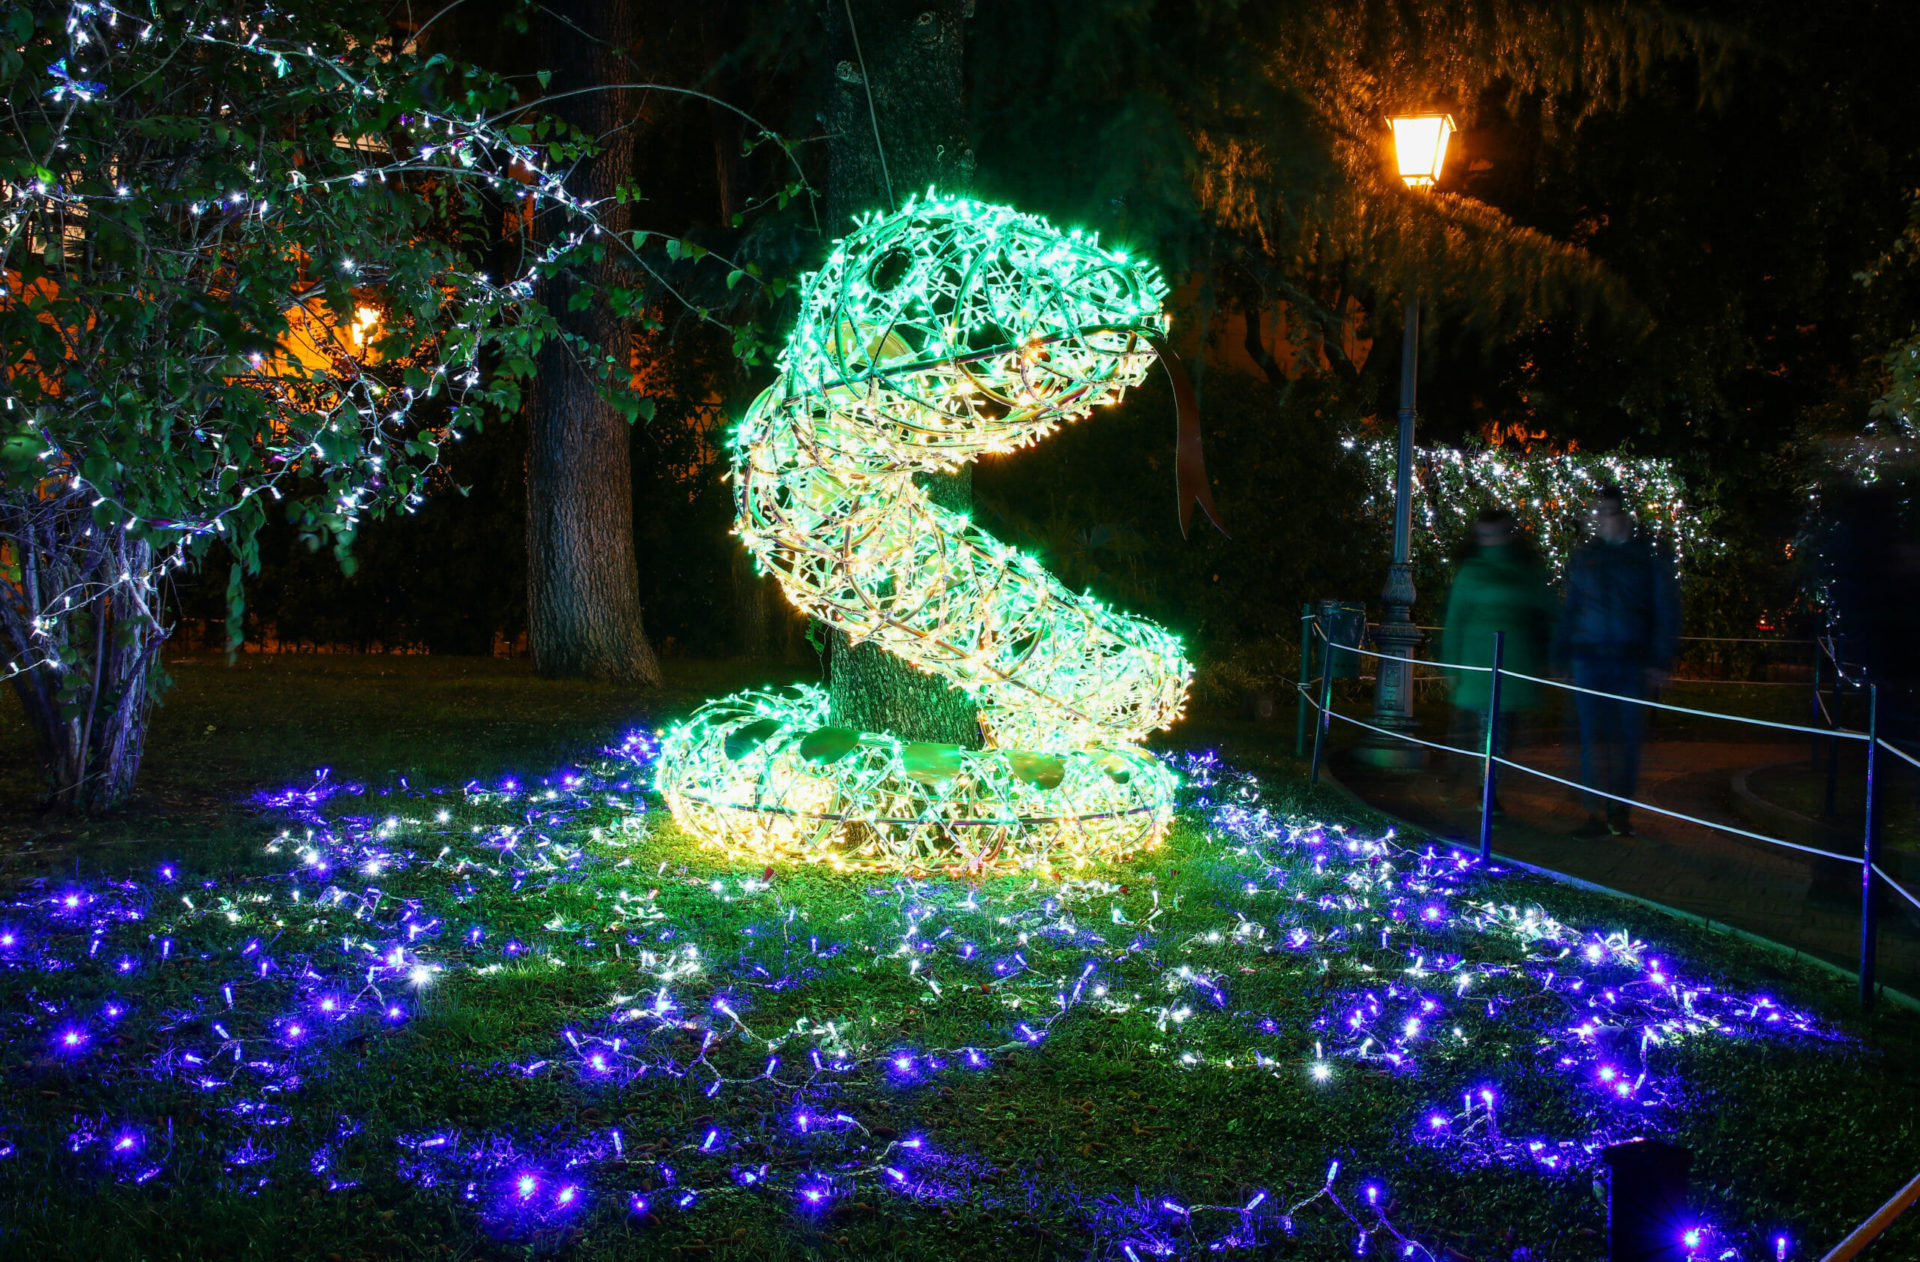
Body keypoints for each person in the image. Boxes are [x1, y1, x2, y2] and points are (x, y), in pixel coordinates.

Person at [1553, 484, 1681, 838]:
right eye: (1597, 514)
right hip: (1591, 656)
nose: (1600, 520)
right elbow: (1572, 606)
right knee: (1593, 736)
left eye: (1606, 513)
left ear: (1623, 516)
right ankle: (1597, 813)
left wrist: (1658, 658)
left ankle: (1618, 811)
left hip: (1629, 659)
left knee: (1625, 737)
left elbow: (1664, 609)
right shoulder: (1587, 557)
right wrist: (1562, 651)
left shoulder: (1645, 559)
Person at [1441, 508, 1555, 816]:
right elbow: (1456, 618)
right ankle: (1485, 790)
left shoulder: (1523, 569)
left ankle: (1484, 786)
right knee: (1489, 729)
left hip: (1513, 663)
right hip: (1483, 663)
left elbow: (1545, 612)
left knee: (1501, 730)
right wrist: (1451, 665)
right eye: (1485, 536)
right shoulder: (1475, 570)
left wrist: (1549, 655)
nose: (1491, 542)